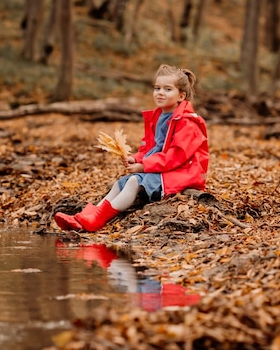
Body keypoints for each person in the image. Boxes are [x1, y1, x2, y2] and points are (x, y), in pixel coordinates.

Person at [54, 64, 209, 232]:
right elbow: (151, 148)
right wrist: (136, 158)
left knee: (134, 181)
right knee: (120, 183)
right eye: (157, 88)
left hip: (182, 172)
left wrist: (144, 166)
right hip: (162, 167)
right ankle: (86, 216)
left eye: (167, 89)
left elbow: (176, 156)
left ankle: (98, 219)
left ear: (181, 96)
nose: (160, 92)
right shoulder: (158, 116)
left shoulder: (187, 122)